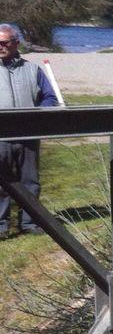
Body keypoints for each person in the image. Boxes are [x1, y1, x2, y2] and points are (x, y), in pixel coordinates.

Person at [0, 24, 60, 236]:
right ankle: (1, 226)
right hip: (1, 138)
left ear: (16, 43)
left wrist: (38, 115)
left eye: (4, 43)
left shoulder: (33, 70)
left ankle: (30, 223)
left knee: (30, 183)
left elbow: (50, 98)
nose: (0, 47)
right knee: (1, 185)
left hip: (28, 135)